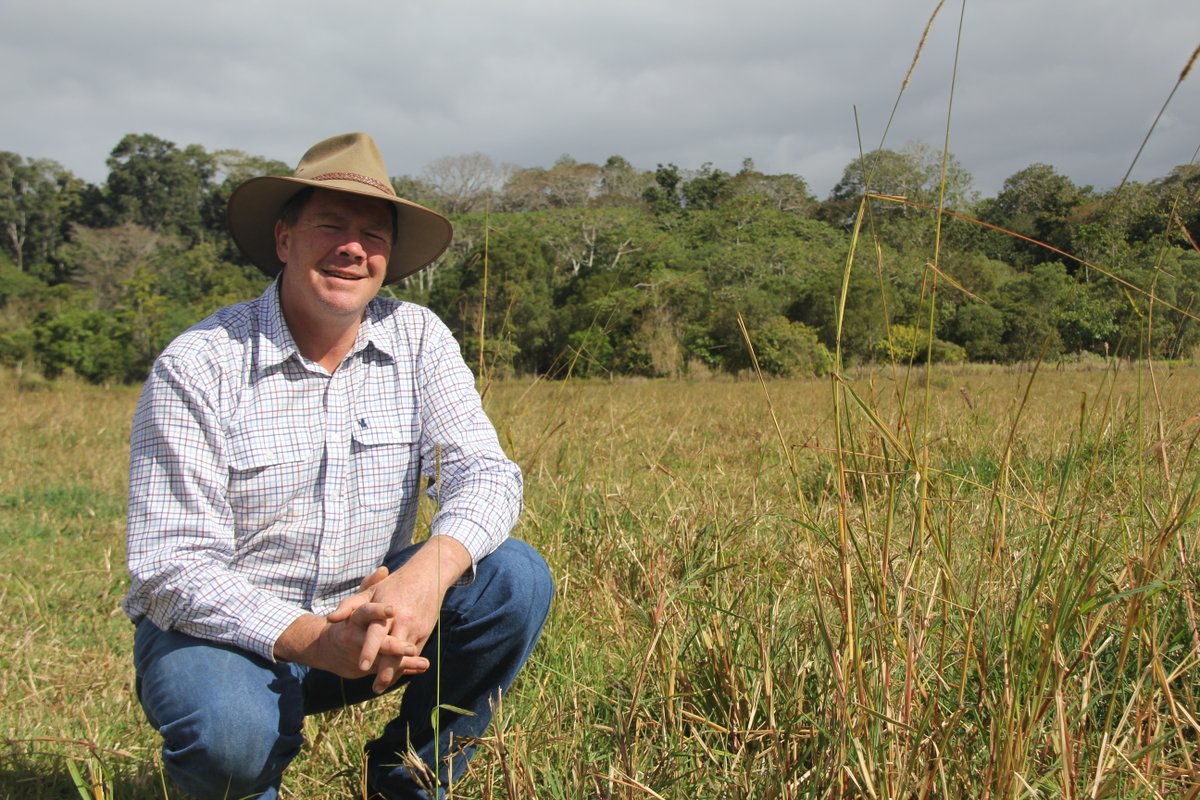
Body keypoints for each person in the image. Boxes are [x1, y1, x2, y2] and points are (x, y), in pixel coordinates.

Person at [123, 132, 554, 799]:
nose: (353, 248)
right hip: (228, 641)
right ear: (285, 239)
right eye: (330, 225)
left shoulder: (416, 338)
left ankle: (410, 780)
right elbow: (170, 565)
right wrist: (308, 638)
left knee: (513, 578)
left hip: (371, 625)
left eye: (372, 234)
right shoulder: (199, 364)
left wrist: (425, 578)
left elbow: (486, 473)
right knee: (230, 735)